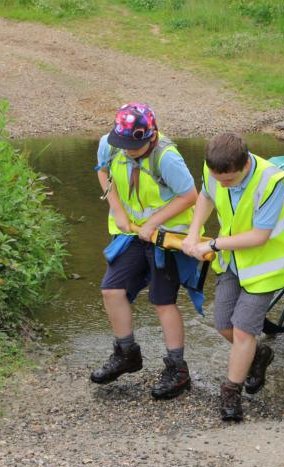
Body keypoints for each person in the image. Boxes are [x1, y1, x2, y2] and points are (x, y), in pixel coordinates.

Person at [90, 103, 199, 401]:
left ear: (150, 137)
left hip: (167, 238)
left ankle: (177, 369)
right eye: (124, 146)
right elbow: (102, 172)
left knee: (162, 301)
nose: (127, 152)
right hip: (130, 234)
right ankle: (127, 354)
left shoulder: (167, 158)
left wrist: (153, 222)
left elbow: (191, 196)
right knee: (112, 290)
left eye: (134, 147)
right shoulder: (111, 145)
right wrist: (117, 209)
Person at [182, 133, 284, 421]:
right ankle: (258, 356)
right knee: (222, 325)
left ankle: (231, 393)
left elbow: (260, 235)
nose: (222, 184)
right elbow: (206, 194)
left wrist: (213, 244)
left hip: (263, 267)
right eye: (218, 178)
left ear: (244, 166)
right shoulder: (215, 168)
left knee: (243, 331)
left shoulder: (271, 181)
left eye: (228, 180)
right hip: (231, 262)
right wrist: (193, 233)